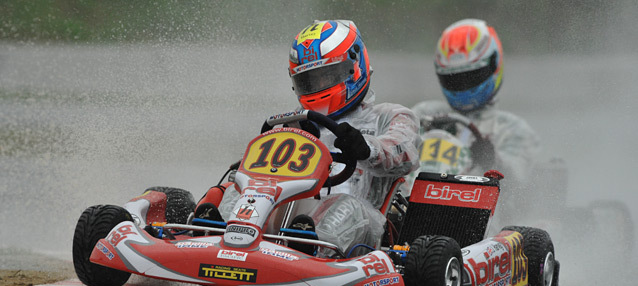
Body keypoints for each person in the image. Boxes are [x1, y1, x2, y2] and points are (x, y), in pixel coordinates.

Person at [199, 19, 421, 257]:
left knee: (345, 207)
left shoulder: (389, 116)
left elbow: (406, 152)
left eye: (326, 76)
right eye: (309, 81)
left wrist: (366, 149)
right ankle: (217, 232)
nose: (318, 86)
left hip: (361, 228)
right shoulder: (297, 123)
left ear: (354, 67)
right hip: (288, 217)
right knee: (244, 186)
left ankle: (310, 245)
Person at [412, 18, 540, 187]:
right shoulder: (423, 113)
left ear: (494, 64)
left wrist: (492, 160)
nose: (463, 85)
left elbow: (519, 184)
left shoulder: (513, 129)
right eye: (454, 79)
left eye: (471, 76)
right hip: (410, 203)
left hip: (483, 209)